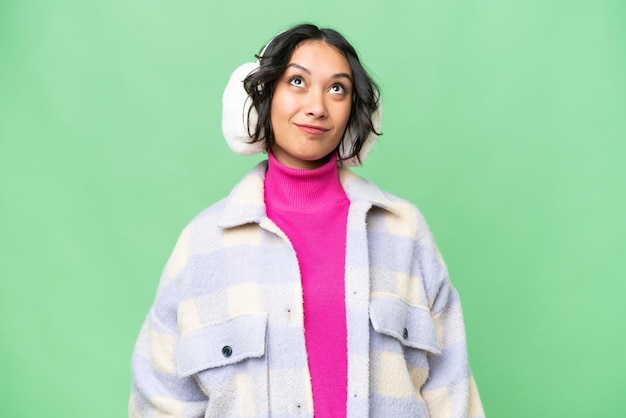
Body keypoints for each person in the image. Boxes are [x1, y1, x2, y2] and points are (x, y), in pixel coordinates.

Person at [129, 23, 484, 418]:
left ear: (355, 110)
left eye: (337, 89)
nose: (317, 106)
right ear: (263, 96)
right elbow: (159, 400)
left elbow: (452, 392)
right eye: (297, 81)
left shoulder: (405, 231)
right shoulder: (202, 244)